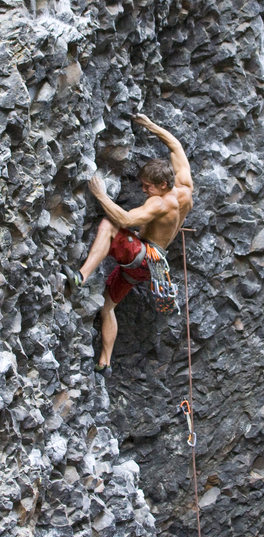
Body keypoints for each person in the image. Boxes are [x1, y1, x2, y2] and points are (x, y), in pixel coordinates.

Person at [64, 114, 193, 376]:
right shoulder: (185, 189)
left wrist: (100, 194)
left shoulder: (159, 204)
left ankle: (81, 276)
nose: (144, 190)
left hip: (143, 257)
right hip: (150, 267)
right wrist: (149, 125)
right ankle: (105, 362)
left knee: (109, 227)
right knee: (108, 306)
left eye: (148, 187)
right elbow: (176, 146)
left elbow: (123, 219)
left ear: (162, 185)